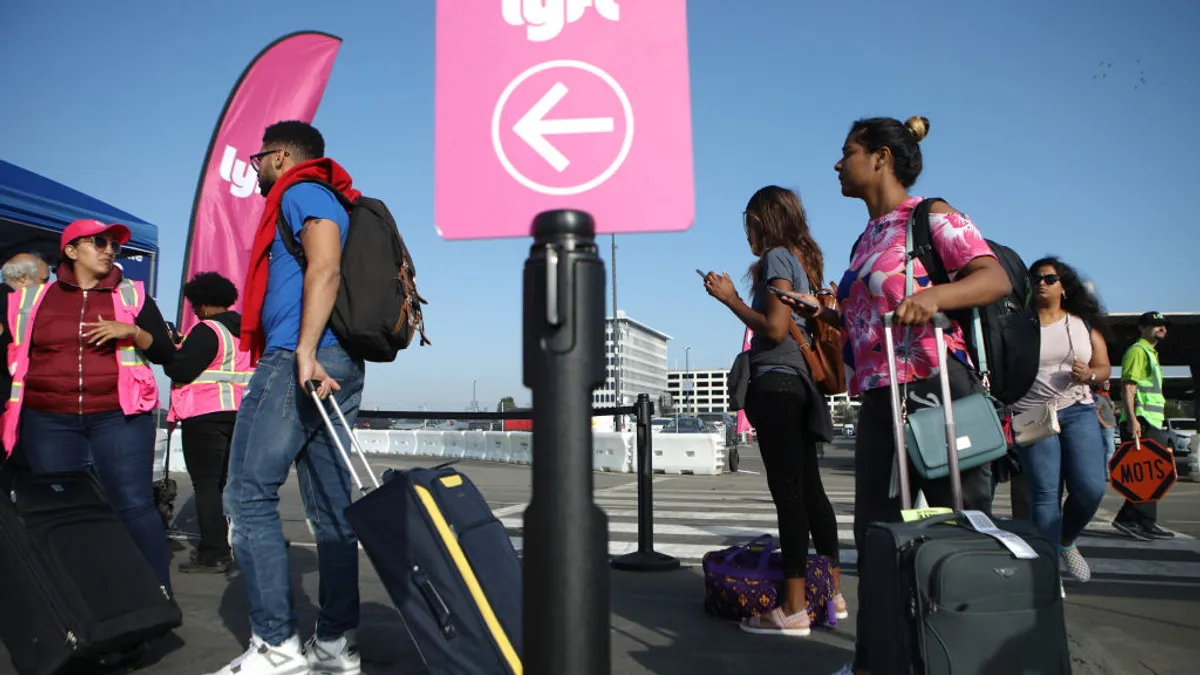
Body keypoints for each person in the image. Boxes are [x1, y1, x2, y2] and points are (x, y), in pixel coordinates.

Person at [786, 116, 1012, 675]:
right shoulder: (866, 238)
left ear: (880, 157)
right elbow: (873, 318)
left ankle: (959, 655)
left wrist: (935, 297)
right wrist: (824, 313)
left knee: (955, 528)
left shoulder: (929, 216)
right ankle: (876, 661)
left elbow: (993, 278)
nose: (838, 164)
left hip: (937, 391)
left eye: (847, 152)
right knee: (877, 535)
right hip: (881, 396)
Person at [209, 121, 365, 675]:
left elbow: (325, 265)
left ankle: (276, 646)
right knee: (332, 510)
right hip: (336, 360)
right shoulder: (330, 194)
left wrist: (303, 350)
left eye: (257, 160)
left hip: (299, 358)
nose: (254, 170)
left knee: (247, 496)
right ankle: (335, 645)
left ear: (278, 156)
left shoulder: (302, 190)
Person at [0, 220, 176, 589]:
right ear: (71, 250)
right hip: (49, 421)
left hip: (119, 418)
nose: (109, 250)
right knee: (62, 508)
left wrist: (133, 332)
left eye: (114, 245)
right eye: (99, 242)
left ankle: (155, 590)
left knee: (133, 504)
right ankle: (81, 600)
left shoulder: (132, 296)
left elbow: (165, 352)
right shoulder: (32, 299)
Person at [702, 185, 843, 637]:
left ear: (762, 220)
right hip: (801, 385)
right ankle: (831, 592)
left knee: (789, 494)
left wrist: (729, 298)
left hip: (777, 384)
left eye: (749, 222)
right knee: (811, 491)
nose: (747, 232)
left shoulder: (779, 257)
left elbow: (776, 328)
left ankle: (794, 609)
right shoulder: (804, 259)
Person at [1009, 257, 1111, 583]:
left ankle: (1066, 540)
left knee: (1091, 488)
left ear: (1064, 286)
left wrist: (1090, 374)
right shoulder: (1018, 325)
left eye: (1050, 279)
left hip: (1078, 409)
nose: (1042, 283)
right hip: (1032, 413)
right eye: (1036, 278)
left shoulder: (1083, 325)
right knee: (1044, 493)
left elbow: (1104, 368)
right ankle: (1048, 572)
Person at [163, 272, 251, 574]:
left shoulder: (207, 330)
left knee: (207, 485)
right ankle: (245, 542)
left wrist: (171, 348)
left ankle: (213, 553)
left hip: (205, 415)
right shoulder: (246, 332)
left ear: (201, 303)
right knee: (231, 483)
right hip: (241, 414)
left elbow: (180, 369)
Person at [1110, 311, 1175, 541]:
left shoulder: (1150, 353)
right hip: (1142, 420)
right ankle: (1129, 519)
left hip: (1151, 420)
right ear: (1142, 328)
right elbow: (1128, 387)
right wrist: (1133, 419)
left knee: (1152, 473)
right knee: (1147, 474)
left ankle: (1145, 521)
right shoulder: (1138, 351)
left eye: (1163, 325)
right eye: (1156, 325)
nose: (1162, 328)